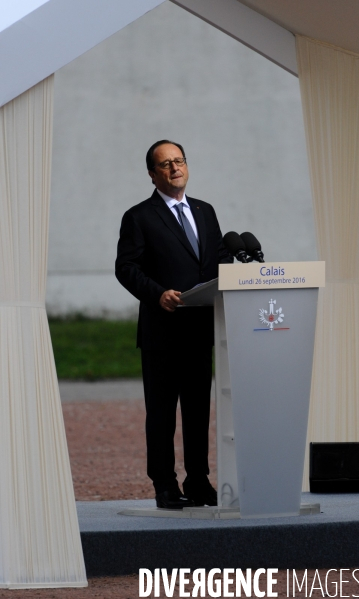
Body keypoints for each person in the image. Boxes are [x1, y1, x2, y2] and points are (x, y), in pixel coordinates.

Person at [115, 140, 232, 509]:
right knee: (163, 414)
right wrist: (157, 293)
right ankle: (164, 485)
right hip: (162, 333)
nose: (174, 168)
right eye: (165, 164)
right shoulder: (140, 217)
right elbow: (126, 268)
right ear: (152, 174)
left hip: (200, 330)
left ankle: (198, 480)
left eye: (179, 161)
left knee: (198, 412)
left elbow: (218, 259)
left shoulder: (205, 211)